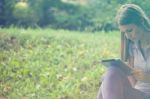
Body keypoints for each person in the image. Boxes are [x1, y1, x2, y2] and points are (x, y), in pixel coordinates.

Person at [97, 4, 150, 99]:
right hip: (138, 92)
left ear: (141, 21)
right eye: (124, 32)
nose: (127, 36)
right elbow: (133, 81)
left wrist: (148, 78)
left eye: (129, 30)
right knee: (112, 71)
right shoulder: (131, 46)